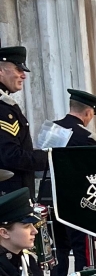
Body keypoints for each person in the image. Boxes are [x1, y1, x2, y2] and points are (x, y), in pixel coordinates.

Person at [46, 87, 96, 276]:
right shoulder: (88, 137)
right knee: (82, 250)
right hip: (78, 202)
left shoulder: (51, 129)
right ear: (88, 112)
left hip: (50, 199)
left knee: (57, 250)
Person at [0, 45, 48, 195]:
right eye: (18, 69)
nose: (23, 75)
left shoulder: (6, 104)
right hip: (10, 196)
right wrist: (50, 157)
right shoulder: (3, 108)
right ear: (1, 71)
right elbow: (11, 155)